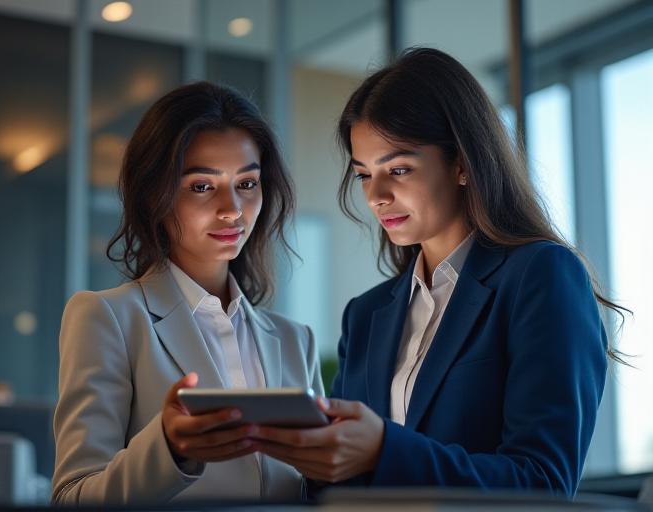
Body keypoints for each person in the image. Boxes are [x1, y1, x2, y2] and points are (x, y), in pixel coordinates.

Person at [250, 47, 619, 497]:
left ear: (462, 163)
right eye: (364, 174)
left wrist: (384, 449)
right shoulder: (365, 316)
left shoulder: (541, 275)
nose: (376, 196)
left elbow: (543, 483)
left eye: (399, 169)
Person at [51, 82, 323, 505]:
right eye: (202, 186)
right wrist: (170, 449)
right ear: (155, 195)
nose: (232, 208)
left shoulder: (294, 341)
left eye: (247, 183)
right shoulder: (109, 318)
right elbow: (72, 497)